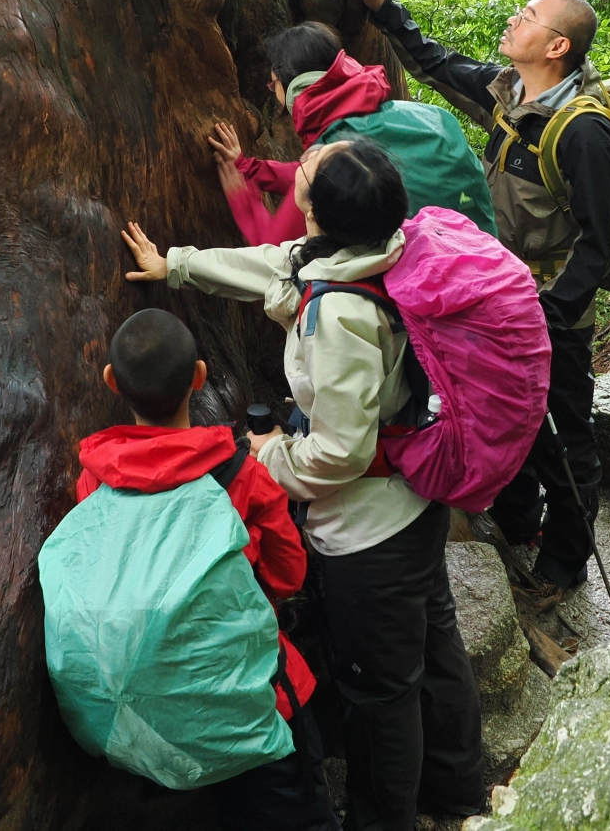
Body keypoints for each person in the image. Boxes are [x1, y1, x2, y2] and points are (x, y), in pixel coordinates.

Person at [122, 139, 485, 831]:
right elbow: (271, 264)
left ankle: (385, 821)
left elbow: (339, 454)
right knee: (434, 642)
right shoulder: (375, 251)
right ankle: (460, 787)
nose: (309, 155)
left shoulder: (340, 318)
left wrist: (267, 458)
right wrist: (176, 266)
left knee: (380, 692)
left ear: (314, 209)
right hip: (415, 500)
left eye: (314, 167)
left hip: (370, 534)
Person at [352, 0, 610, 596]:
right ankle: (517, 519)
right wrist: (384, 8)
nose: (513, 19)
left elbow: (602, 239)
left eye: (527, 16)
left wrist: (559, 307)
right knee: (501, 414)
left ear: (557, 45)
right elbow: (438, 65)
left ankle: (564, 562)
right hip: (496, 299)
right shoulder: (509, 93)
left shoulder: (583, 132)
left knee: (563, 435)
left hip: (550, 308)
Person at [75, 309, 339, 830]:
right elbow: (288, 576)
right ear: (199, 377)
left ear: (111, 382)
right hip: (252, 698)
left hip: (162, 717)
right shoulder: (242, 475)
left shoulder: (95, 484)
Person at [209, 20, 496, 245]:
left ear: (292, 88)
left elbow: (274, 245)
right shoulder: (433, 117)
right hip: (491, 266)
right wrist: (251, 168)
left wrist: (240, 190)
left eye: (273, 85)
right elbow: (337, 172)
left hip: (416, 304)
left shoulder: (331, 153)